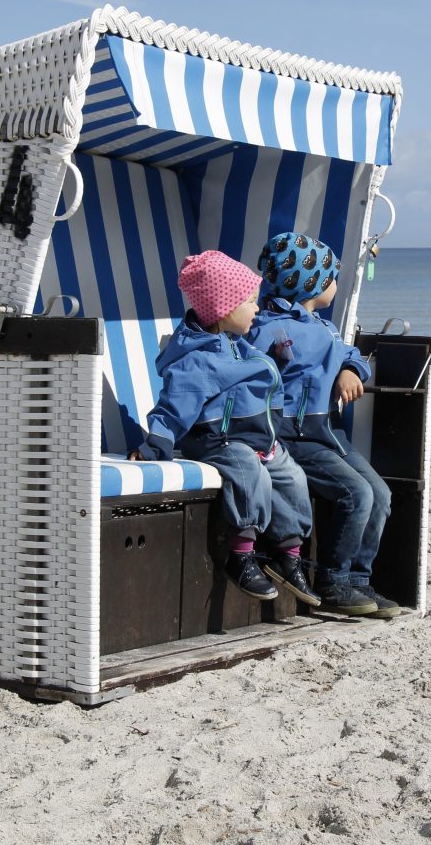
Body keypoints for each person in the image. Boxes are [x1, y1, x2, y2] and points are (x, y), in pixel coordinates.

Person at [128, 249, 320, 607]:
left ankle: (288, 555)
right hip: (215, 441)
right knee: (248, 470)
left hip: (255, 439)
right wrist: (155, 445)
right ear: (224, 309)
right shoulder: (198, 361)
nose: (257, 309)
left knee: (291, 475)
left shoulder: (240, 348)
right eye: (250, 301)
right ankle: (241, 554)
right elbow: (173, 408)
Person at [247, 231, 400, 619]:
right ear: (310, 282)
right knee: (357, 494)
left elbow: (353, 355)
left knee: (379, 494)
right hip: (295, 437)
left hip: (329, 433)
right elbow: (249, 374)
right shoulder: (268, 328)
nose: (335, 283)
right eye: (331, 276)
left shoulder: (325, 327)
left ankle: (359, 581)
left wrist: (351, 369)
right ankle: (333, 582)